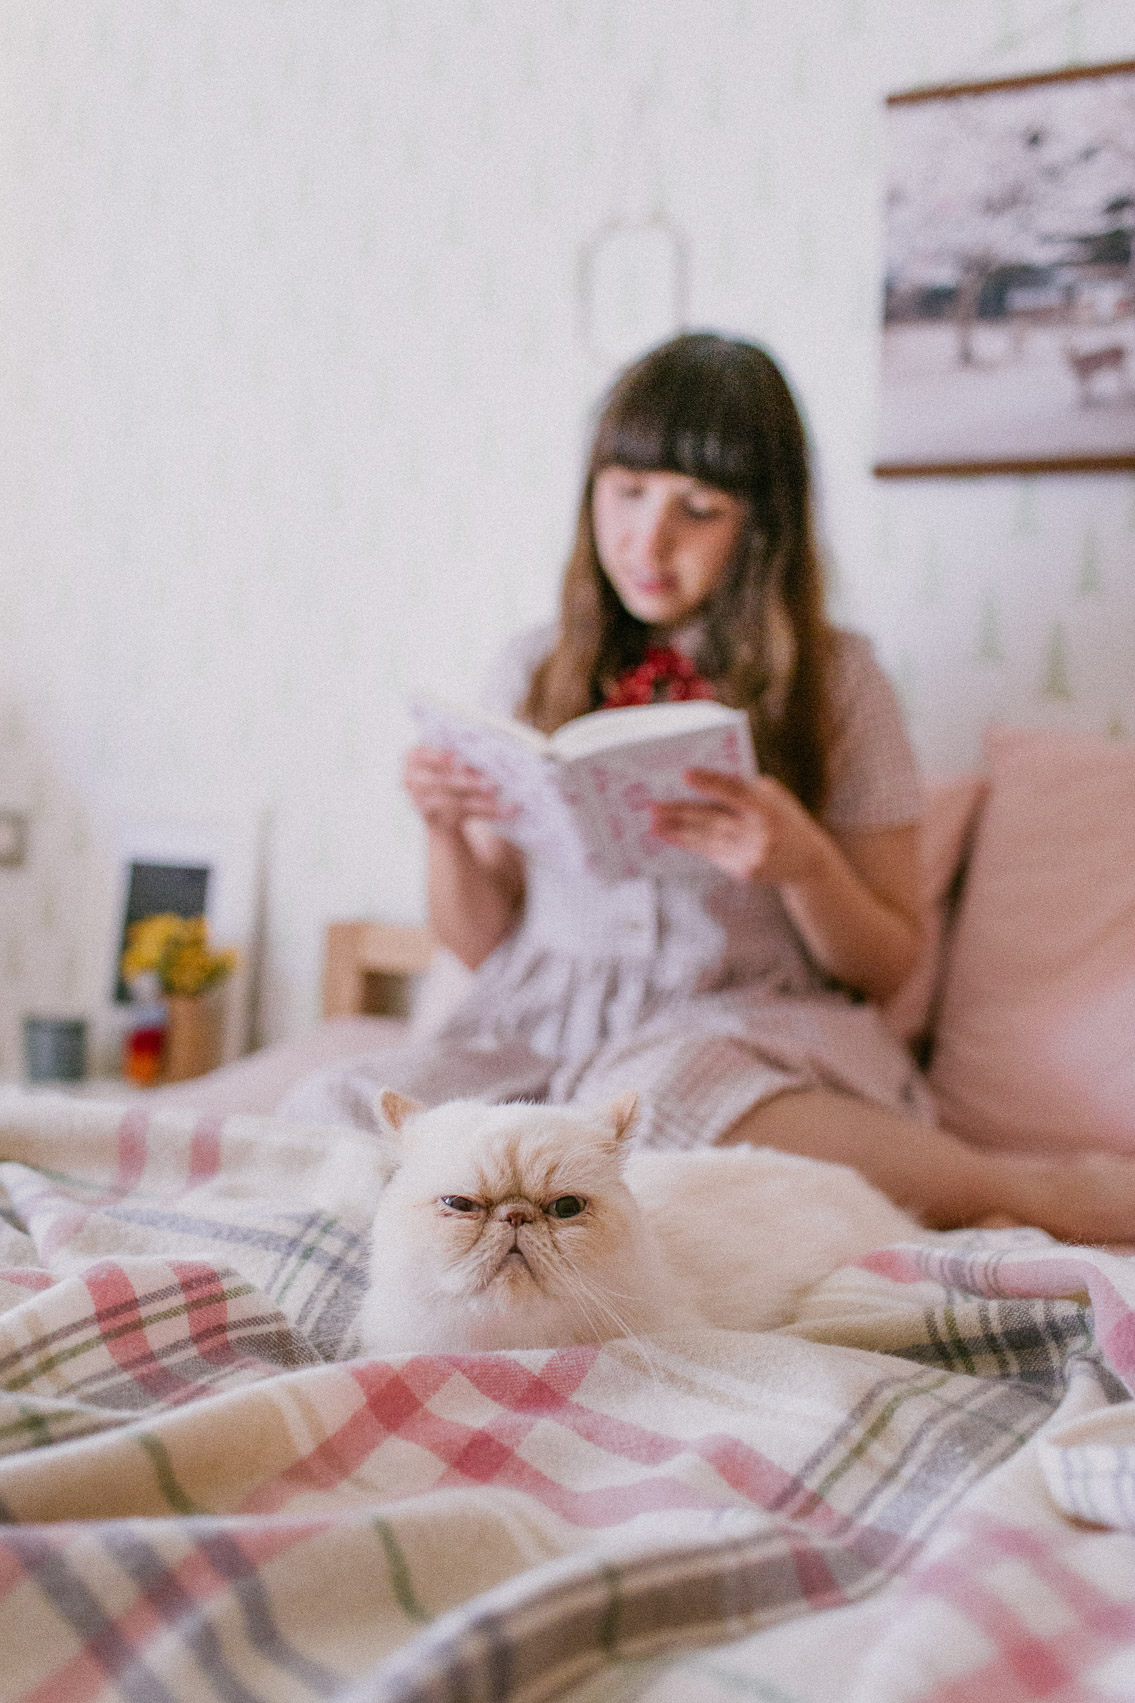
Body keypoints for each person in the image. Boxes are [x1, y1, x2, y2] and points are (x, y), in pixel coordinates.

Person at [282, 332, 1135, 1241]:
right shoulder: (535, 667)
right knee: (332, 1105)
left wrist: (801, 863)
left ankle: (1029, 1191)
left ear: (758, 526)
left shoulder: (835, 680)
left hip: (741, 1031)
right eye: (627, 491)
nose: (648, 537)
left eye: (697, 507)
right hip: (542, 1032)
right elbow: (481, 941)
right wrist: (443, 829)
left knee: (662, 1093)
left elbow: (887, 966)